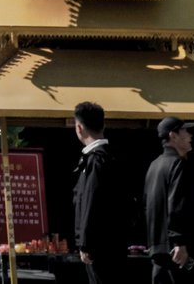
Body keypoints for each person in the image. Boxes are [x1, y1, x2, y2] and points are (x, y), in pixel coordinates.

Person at [143, 119, 194, 284]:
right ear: (173, 136)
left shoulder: (153, 166)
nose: (190, 135)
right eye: (185, 131)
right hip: (176, 252)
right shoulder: (177, 164)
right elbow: (176, 205)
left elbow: (148, 207)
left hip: (157, 249)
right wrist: (179, 242)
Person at [71, 102, 125, 284]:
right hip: (114, 242)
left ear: (79, 128)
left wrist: (85, 243)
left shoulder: (96, 160)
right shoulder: (113, 156)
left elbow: (90, 202)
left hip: (99, 246)